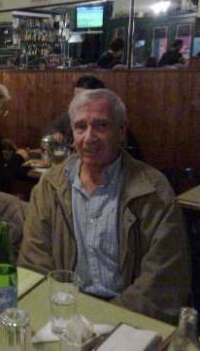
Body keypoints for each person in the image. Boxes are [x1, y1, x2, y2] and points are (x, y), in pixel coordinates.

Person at [18, 89, 191, 323]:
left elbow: (163, 280)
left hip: (128, 319)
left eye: (101, 125)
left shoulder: (153, 190)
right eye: (80, 127)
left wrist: (104, 320)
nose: (89, 137)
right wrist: (67, 317)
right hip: (64, 313)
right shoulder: (49, 187)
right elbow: (33, 263)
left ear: (121, 132)